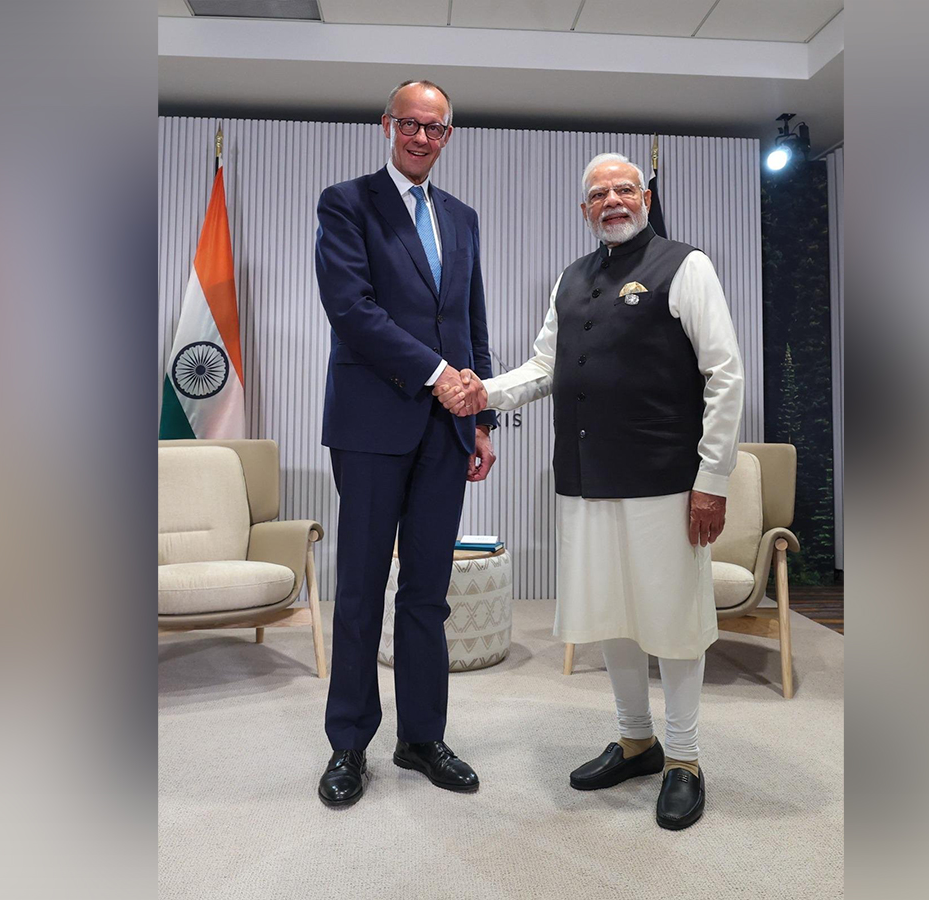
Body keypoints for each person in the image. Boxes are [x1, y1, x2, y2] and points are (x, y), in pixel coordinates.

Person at [436, 153, 743, 830]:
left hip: (666, 482)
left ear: (646, 196)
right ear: (584, 210)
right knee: (614, 617)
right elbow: (544, 365)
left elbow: (726, 374)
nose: (612, 200)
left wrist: (711, 480)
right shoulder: (570, 279)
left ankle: (685, 759)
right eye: (598, 193)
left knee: (674, 622)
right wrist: (481, 391)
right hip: (585, 480)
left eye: (624, 189)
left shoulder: (685, 266)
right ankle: (637, 741)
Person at [313, 80, 496, 809]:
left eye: (437, 128)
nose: (423, 137)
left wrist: (478, 415)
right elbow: (350, 309)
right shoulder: (346, 202)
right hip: (370, 425)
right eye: (411, 124)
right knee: (360, 589)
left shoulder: (462, 217)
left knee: (426, 593)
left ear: (449, 135)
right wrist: (435, 375)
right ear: (387, 124)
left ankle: (421, 737)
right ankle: (349, 745)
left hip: (447, 432)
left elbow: (470, 317)